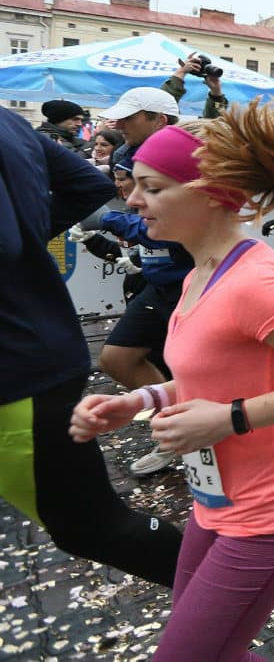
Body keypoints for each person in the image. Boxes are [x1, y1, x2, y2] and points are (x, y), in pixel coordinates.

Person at [69, 98, 274, 662]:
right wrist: (140, 399)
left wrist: (230, 418)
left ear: (211, 194)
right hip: (215, 501)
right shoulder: (200, 272)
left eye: (153, 187)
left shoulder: (256, 280)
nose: (133, 199)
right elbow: (205, 374)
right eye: (135, 185)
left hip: (270, 513)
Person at [0, 106, 183, 588]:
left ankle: (221, 600)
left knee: (90, 527)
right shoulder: (10, 121)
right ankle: (183, 426)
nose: (137, 197)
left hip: (20, 368)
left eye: (152, 187)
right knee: (119, 359)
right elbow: (88, 187)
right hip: (44, 340)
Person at [88, 86, 195, 477]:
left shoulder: (187, 159)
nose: (118, 124)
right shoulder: (126, 155)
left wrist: (110, 219)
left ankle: (199, 435)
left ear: (159, 120)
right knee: (117, 358)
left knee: (198, 371)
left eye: (129, 118)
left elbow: (170, 226)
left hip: (195, 284)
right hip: (157, 284)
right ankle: (175, 435)